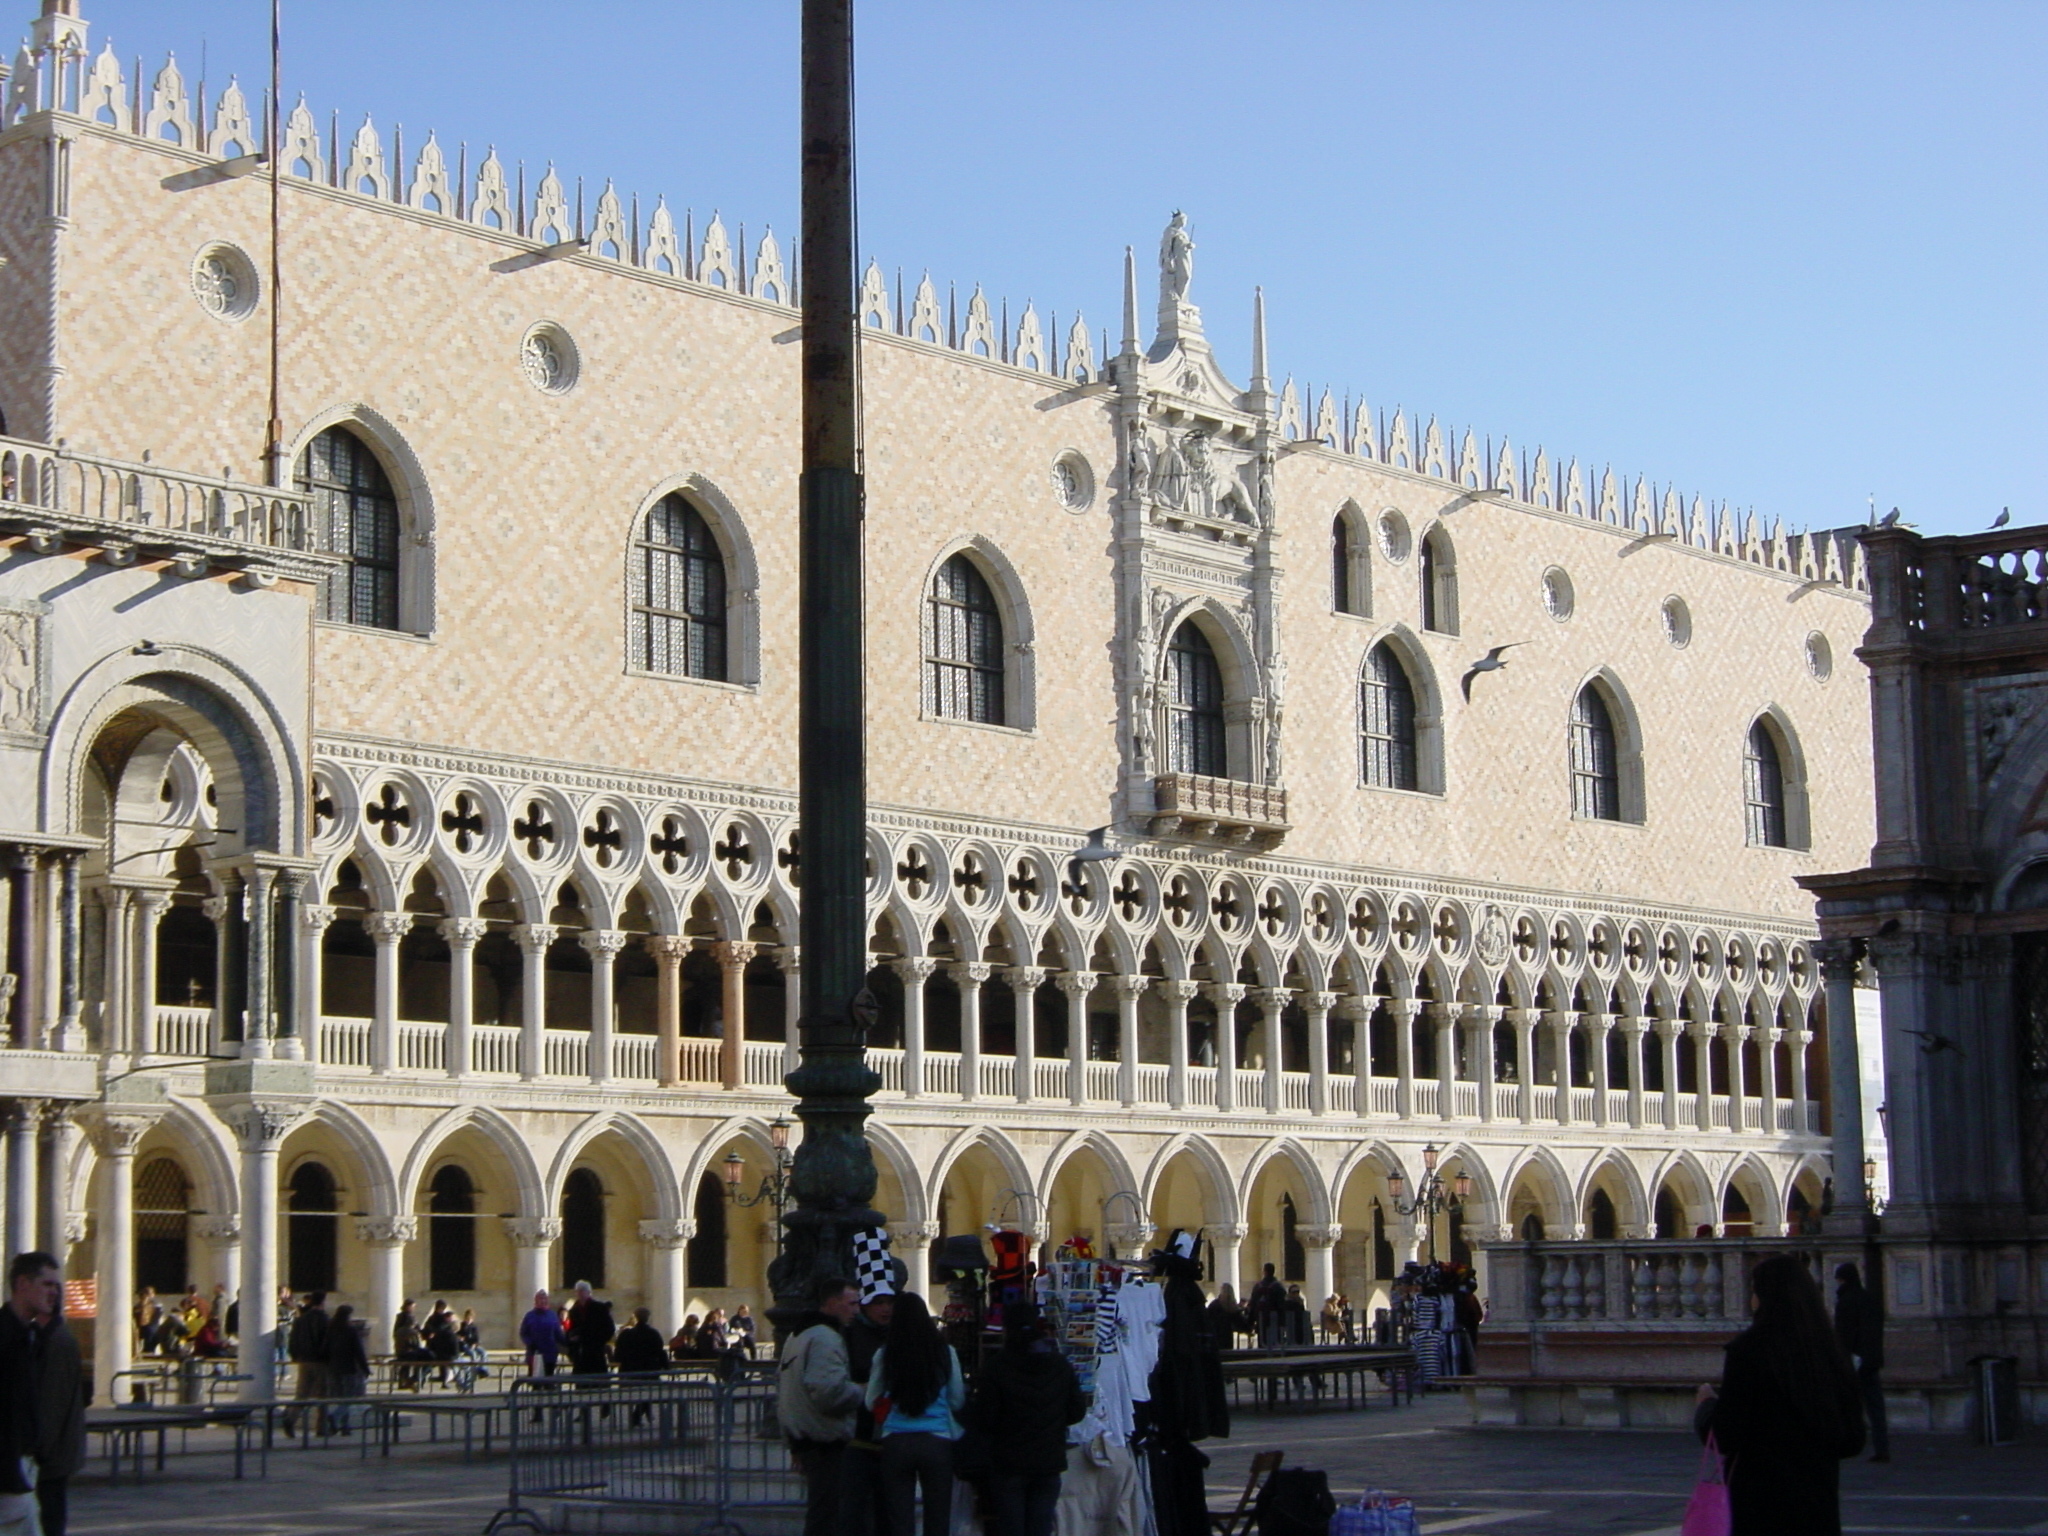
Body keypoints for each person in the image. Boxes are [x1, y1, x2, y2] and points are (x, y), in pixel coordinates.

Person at [1696, 1254, 1865, 1536]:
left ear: (1764, 1296)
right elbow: (1852, 1440)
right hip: (1816, 1507)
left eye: (1754, 1291)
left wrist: (1706, 1406)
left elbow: (1726, 1434)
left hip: (1760, 1505)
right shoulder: (1830, 1351)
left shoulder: (1750, 1351)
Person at [961, 1300, 1085, 1536]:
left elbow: (986, 1417)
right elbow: (1076, 1411)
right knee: (1041, 1524)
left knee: (1010, 1525)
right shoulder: (1059, 1364)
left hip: (1008, 1462)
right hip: (1048, 1460)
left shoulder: (997, 1367)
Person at [865, 1290, 964, 1536]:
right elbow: (957, 1399)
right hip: (937, 1439)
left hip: (895, 1440)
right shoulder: (945, 1352)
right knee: (938, 1514)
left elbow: (871, 1401)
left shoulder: (885, 1354)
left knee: (899, 1517)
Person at [777, 1276, 863, 1536]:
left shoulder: (798, 1334)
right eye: (852, 1303)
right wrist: (864, 1391)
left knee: (822, 1513)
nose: (857, 1310)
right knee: (828, 1517)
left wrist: (794, 1441)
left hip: (807, 1439)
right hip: (825, 1441)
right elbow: (828, 1393)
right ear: (833, 1303)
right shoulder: (826, 1338)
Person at [15, 1252, 83, 1536]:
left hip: (48, 1461)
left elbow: (50, 1404)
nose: (53, 1291)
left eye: (55, 1286)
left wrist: (34, 1450)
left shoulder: (56, 1343)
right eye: (47, 1284)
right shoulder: (43, 1338)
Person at [845, 1281, 898, 1536]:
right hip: (859, 1435)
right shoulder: (851, 1334)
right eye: (879, 1303)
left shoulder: (899, 1333)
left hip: (892, 1435)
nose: (885, 1309)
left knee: (888, 1508)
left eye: (889, 1303)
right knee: (855, 1508)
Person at [0, 1254, 45, 1536]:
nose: (55, 1292)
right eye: (47, 1284)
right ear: (23, 1284)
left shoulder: (28, 1336)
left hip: (22, 1467)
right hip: (9, 1473)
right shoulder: (7, 1338)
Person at [1834, 1262, 1890, 1463]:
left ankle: (1850, 1441)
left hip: (1854, 1359)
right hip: (1872, 1357)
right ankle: (1881, 1447)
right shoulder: (1869, 1298)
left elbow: (1844, 1333)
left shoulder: (1846, 1300)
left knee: (1850, 1404)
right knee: (1875, 1406)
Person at [281, 1290, 329, 1435]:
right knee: (323, 1395)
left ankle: (291, 1418)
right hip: (319, 1361)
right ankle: (321, 1427)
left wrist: (295, 1355)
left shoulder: (301, 1320)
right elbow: (326, 1340)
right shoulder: (324, 1319)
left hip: (304, 1359)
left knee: (302, 1393)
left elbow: (293, 1339)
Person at [614, 1306, 668, 1426]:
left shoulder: (626, 1335)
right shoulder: (653, 1334)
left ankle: (640, 1415)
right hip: (649, 1372)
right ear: (648, 1318)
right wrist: (665, 1367)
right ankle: (639, 1415)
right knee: (647, 1392)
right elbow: (660, 1351)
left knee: (643, 1393)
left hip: (630, 1372)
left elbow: (618, 1354)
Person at [325, 1304, 370, 1435]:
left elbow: (325, 1348)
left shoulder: (331, 1330)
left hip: (333, 1367)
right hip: (348, 1367)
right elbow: (358, 1351)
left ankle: (345, 1426)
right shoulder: (350, 1331)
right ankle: (336, 1416)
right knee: (349, 1397)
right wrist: (365, 1368)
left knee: (339, 1397)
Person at [563, 1280, 615, 1383]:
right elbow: (572, 1329)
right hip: (580, 1352)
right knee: (581, 1381)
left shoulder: (599, 1308)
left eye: (582, 1291)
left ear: (589, 1292)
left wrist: (599, 1341)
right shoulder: (574, 1311)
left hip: (596, 1350)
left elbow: (609, 1328)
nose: (580, 1294)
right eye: (578, 1291)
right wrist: (572, 1337)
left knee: (598, 1381)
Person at [520, 1289, 563, 1379]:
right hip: (535, 1353)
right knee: (535, 1381)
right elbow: (523, 1333)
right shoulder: (530, 1316)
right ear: (536, 1301)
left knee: (549, 1380)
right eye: (540, 1299)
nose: (543, 1301)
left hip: (550, 1354)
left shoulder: (552, 1315)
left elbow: (558, 1333)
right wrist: (530, 1343)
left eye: (545, 1299)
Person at [392, 1299, 428, 1390]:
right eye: (413, 1306)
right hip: (406, 1347)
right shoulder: (403, 1317)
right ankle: (412, 1380)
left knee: (407, 1363)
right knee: (419, 1358)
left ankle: (406, 1380)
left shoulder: (407, 1318)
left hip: (403, 1347)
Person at [1247, 1263, 1285, 1347]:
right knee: (1276, 1343)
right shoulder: (1278, 1287)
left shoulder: (1258, 1286)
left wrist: (1250, 1322)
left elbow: (1253, 1304)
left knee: (1262, 1342)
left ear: (1264, 1271)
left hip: (1262, 1319)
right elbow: (1282, 1305)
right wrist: (1283, 1322)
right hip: (1275, 1320)